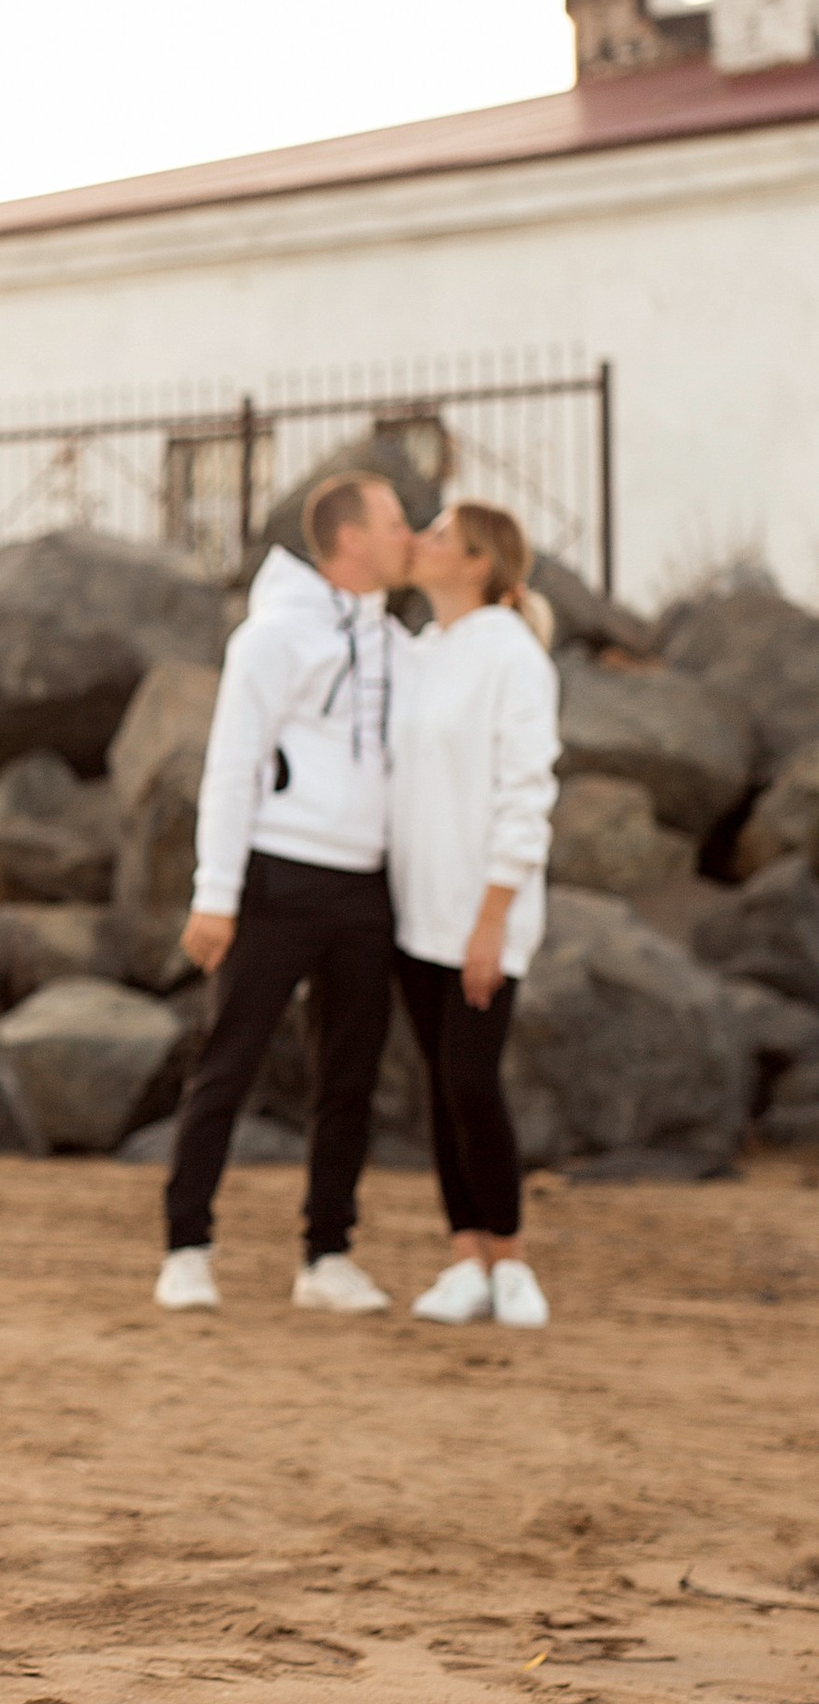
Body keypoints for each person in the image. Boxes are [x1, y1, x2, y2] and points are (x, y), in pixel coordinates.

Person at [156, 470, 416, 1314]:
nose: (408, 538)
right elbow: (231, 765)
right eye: (394, 523)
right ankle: (186, 1249)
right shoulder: (272, 638)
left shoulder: (397, 645)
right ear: (351, 538)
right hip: (278, 878)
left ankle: (327, 1256)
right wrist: (216, 893)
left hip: (365, 887)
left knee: (349, 1076)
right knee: (228, 1061)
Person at [388, 501, 561, 1329]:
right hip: (416, 914)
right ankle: (464, 1259)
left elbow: (528, 794)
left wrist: (492, 920)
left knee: (470, 1081)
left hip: (484, 915)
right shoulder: (422, 652)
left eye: (437, 536)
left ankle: (512, 1260)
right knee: (439, 1087)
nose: (419, 543)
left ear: (478, 563)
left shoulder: (513, 657)